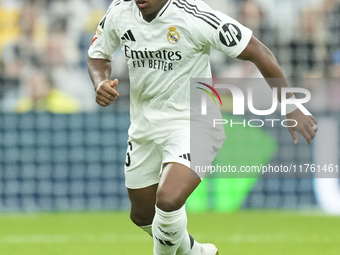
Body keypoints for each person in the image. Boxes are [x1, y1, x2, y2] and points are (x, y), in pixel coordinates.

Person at [87, 0, 318, 254]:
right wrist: (101, 82)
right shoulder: (120, 11)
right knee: (142, 216)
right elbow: (98, 55)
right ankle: (196, 252)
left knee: (168, 199)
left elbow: (257, 51)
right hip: (144, 128)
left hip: (195, 123)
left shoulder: (195, 16)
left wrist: (290, 105)